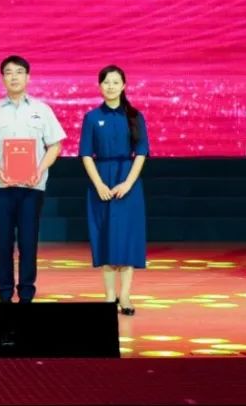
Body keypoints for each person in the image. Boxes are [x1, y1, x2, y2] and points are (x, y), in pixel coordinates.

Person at [0, 55, 65, 303]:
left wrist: (39, 170)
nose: (14, 77)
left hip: (32, 188)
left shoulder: (42, 110)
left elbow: (55, 145)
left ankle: (26, 292)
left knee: (28, 241)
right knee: (3, 242)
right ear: (3, 78)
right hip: (0, 187)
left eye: (19, 72)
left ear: (28, 77)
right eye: (9, 72)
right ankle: (4, 292)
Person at [79, 65, 150, 316]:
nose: (110, 86)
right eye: (106, 82)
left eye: (115, 82)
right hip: (101, 181)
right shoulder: (91, 117)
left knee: (128, 239)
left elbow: (141, 153)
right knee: (105, 237)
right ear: (100, 86)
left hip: (128, 181)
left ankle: (126, 295)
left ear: (124, 85)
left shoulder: (135, 116)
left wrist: (128, 183)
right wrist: (99, 184)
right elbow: (86, 154)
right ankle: (109, 295)